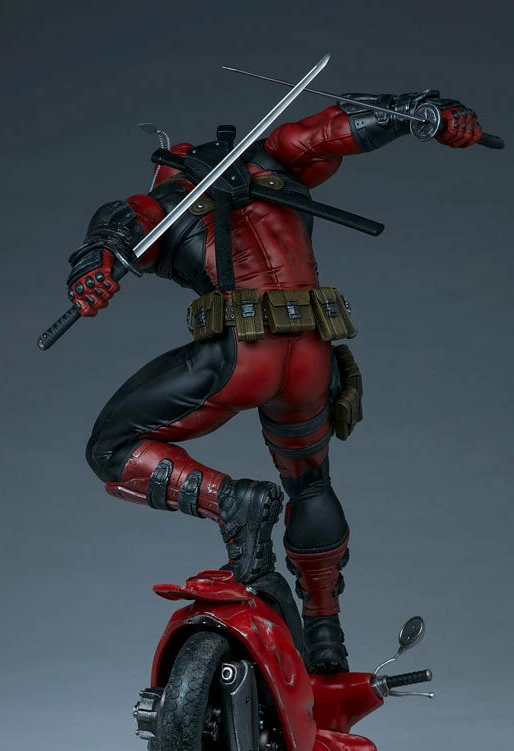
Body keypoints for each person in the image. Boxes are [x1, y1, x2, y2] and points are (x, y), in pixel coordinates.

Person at [66, 89, 482, 673]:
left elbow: (116, 230)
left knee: (111, 448)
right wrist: (424, 115)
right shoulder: (277, 157)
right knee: (311, 485)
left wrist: (93, 271)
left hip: (244, 356)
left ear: (166, 164)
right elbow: (340, 127)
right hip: (313, 354)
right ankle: (325, 633)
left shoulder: (165, 201)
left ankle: (231, 501)